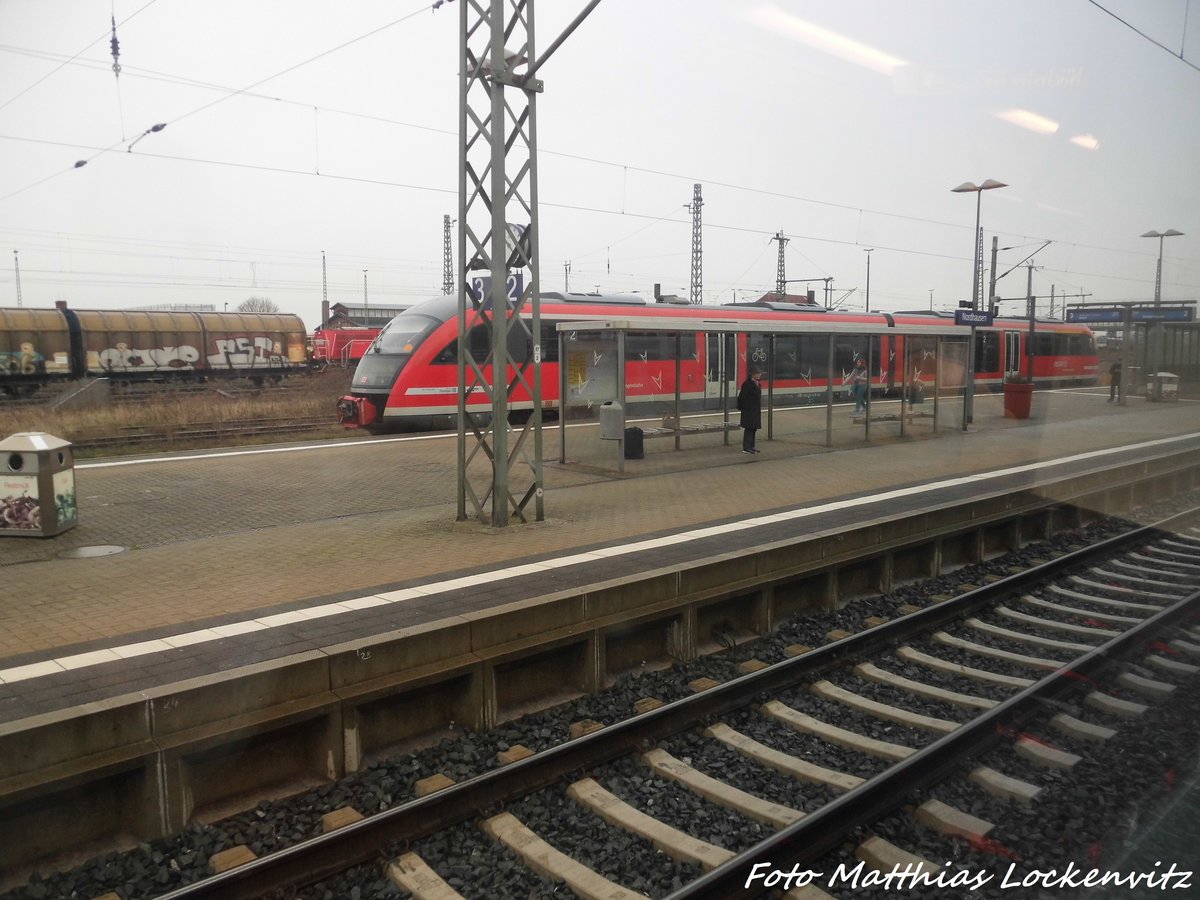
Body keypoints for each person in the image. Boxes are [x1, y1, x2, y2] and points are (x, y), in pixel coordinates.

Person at [737, 370, 763, 453]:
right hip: (749, 411)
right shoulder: (747, 384)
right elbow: (742, 397)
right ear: (753, 374)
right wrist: (743, 408)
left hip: (755, 410)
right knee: (749, 428)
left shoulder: (757, 383)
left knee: (753, 428)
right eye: (758, 373)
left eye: (760, 373)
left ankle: (752, 446)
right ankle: (746, 447)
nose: (760, 375)